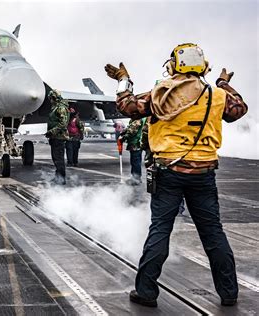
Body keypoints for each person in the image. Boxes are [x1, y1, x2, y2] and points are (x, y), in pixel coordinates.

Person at [105, 43, 248, 307]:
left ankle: (146, 292)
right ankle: (229, 293)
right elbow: (239, 109)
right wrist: (223, 83)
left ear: (175, 65)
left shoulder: (162, 93)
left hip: (168, 171)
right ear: (202, 66)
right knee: (213, 232)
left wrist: (123, 80)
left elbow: (126, 106)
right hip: (203, 173)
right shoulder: (216, 95)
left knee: (160, 229)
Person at [45, 89, 69, 185]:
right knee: (56, 159)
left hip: (59, 137)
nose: (50, 100)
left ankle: (61, 179)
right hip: (55, 137)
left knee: (59, 159)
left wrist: (52, 132)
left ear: (54, 97)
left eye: (51, 98)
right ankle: (58, 177)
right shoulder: (55, 107)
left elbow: (63, 123)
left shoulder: (61, 108)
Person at [119, 118, 146, 184]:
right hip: (136, 143)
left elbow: (132, 131)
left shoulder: (137, 118)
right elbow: (130, 128)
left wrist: (123, 138)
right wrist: (124, 132)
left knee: (135, 161)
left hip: (135, 143)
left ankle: (136, 179)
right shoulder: (140, 118)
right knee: (135, 161)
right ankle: (135, 177)